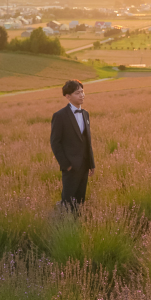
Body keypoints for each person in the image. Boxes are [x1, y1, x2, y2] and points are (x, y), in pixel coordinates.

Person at [50, 80, 95, 209]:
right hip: (70, 167)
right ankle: (65, 225)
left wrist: (91, 163)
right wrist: (66, 165)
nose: (82, 95)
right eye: (77, 93)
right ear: (68, 96)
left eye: (82, 92)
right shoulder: (60, 116)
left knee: (81, 200)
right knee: (68, 200)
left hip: (84, 165)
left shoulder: (85, 114)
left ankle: (77, 223)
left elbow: (87, 141)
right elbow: (55, 143)